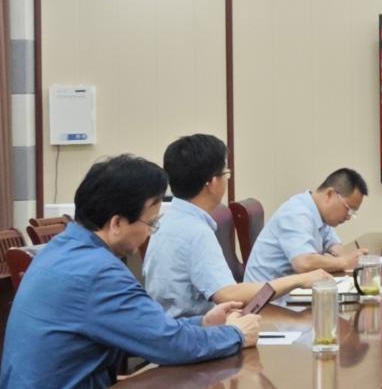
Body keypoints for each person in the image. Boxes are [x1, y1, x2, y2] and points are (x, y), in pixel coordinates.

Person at [0, 155, 260, 389]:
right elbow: (168, 344)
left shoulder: (61, 249)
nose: (150, 232)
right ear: (116, 223)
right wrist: (236, 334)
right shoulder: (98, 272)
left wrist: (203, 323)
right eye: (151, 223)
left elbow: (144, 329)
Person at [145, 134, 332, 318]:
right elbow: (227, 295)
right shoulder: (195, 231)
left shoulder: (167, 219)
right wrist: (299, 280)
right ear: (211, 182)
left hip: (171, 325)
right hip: (193, 331)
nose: (227, 180)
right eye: (226, 174)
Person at [244, 168, 369, 283]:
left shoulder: (321, 214)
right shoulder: (296, 213)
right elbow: (303, 263)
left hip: (291, 291)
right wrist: (342, 262)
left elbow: (335, 247)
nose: (348, 216)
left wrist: (342, 259)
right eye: (348, 209)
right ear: (330, 194)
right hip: (267, 296)